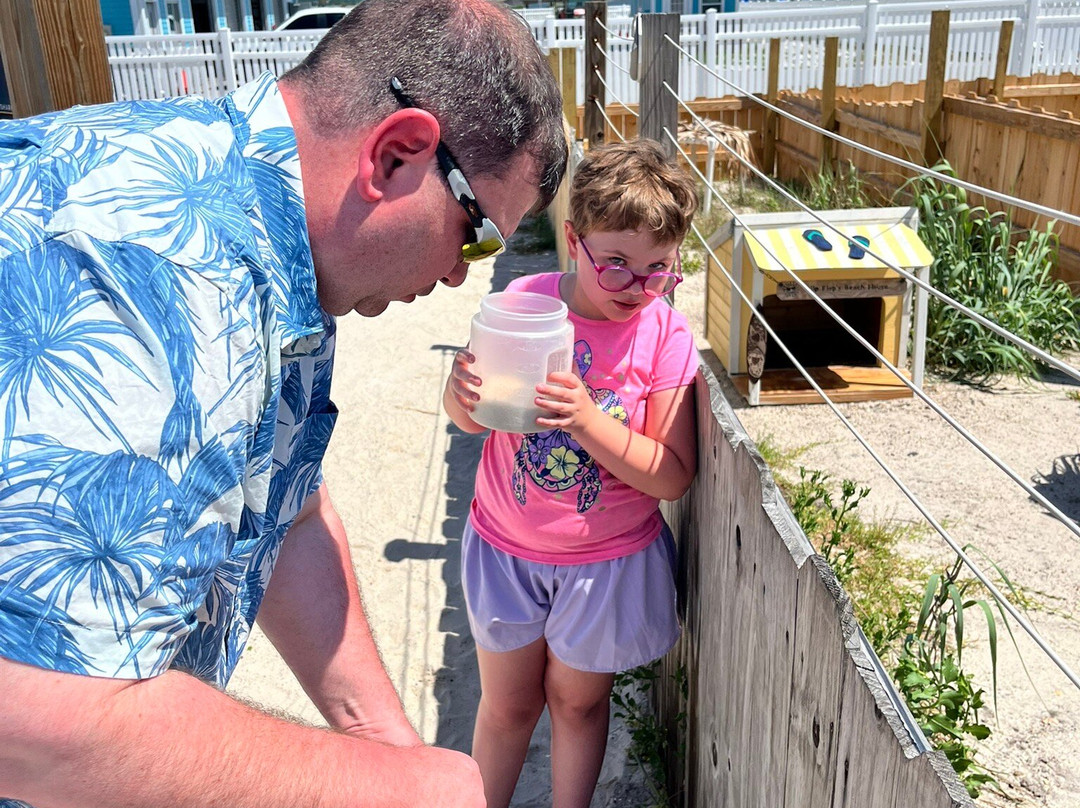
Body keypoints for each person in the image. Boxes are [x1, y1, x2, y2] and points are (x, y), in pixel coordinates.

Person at [0, 0, 566, 806]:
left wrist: (390, 747)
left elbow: (285, 508)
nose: (456, 275)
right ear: (400, 154)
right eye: (474, 235)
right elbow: (39, 716)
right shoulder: (163, 278)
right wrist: (386, 790)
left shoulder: (269, 223)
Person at [443, 139, 700, 808]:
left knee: (578, 705)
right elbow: (472, 421)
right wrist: (460, 394)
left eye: (657, 269)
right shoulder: (526, 302)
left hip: (603, 565)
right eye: (614, 263)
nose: (635, 287)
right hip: (505, 549)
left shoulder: (666, 337)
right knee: (507, 707)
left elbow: (671, 476)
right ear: (572, 237)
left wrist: (588, 420)